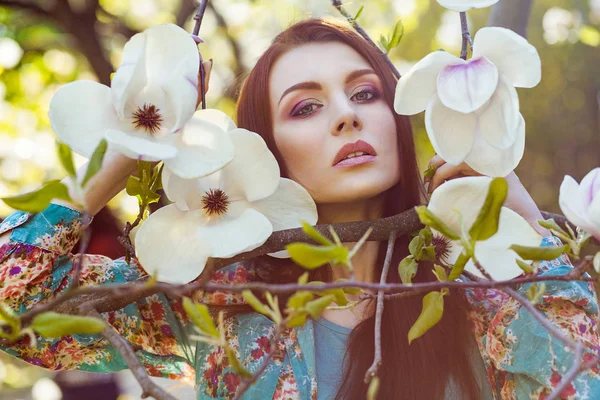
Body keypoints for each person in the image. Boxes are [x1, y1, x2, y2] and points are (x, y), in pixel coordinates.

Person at [0, 18, 598, 400]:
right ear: (263, 153)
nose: (347, 114)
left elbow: (584, 379)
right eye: (305, 107)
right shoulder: (221, 307)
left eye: (366, 93)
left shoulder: (481, 291)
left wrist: (517, 211)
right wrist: (135, 141)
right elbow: (16, 307)